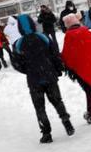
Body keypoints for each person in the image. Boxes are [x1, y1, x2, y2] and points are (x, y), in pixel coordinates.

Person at [12, 14, 74, 143]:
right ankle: (67, 122)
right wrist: (57, 69)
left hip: (34, 80)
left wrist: (28, 70)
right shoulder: (43, 37)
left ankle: (46, 133)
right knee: (57, 101)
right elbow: (54, 54)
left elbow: (17, 64)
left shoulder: (18, 44)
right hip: (49, 75)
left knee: (39, 107)